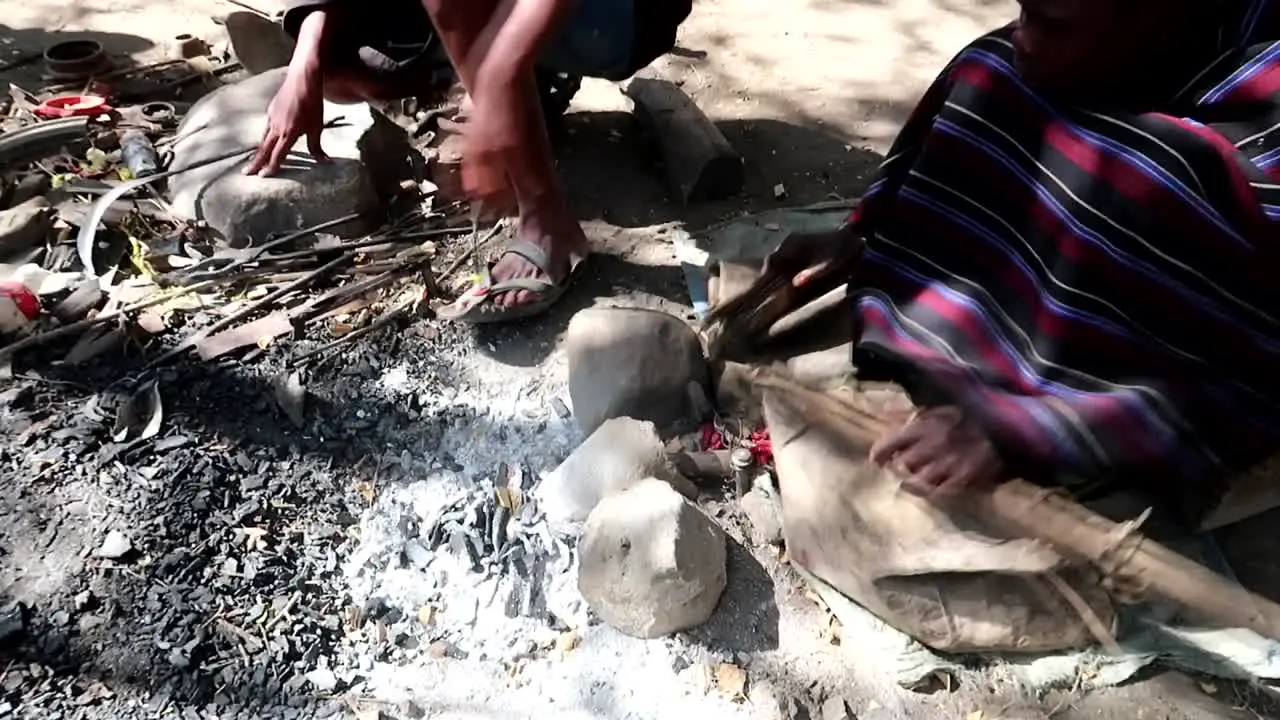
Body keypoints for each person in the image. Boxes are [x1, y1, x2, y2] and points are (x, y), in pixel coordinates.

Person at [761, 0, 1280, 515]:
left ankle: (1067, 388)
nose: (1023, 36)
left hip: (1215, 145)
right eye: (1025, 12)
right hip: (1147, 56)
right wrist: (871, 232)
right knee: (990, 70)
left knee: (1144, 177)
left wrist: (1024, 431)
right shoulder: (1063, 44)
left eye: (1049, 24)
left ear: (1157, 29)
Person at [248, 0, 692, 321]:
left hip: (621, 14)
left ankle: (547, 222)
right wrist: (303, 65)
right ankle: (510, 78)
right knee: (339, 58)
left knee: (459, 10)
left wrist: (498, 79)